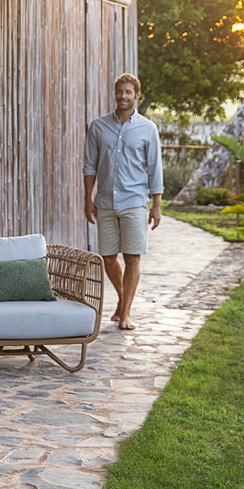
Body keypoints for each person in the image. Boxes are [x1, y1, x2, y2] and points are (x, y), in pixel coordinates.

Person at [83, 73, 163, 331]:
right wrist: (88, 199)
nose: (123, 96)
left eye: (128, 92)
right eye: (120, 91)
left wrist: (157, 205)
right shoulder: (98, 126)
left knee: (132, 258)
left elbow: (155, 169)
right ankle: (122, 298)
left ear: (137, 95)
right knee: (107, 258)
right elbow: (89, 165)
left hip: (135, 202)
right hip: (105, 201)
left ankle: (126, 312)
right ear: (115, 94)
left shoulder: (148, 129)